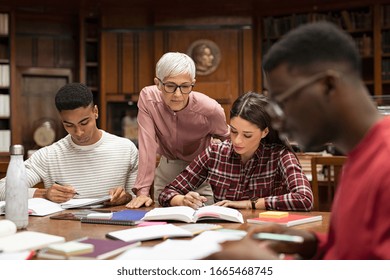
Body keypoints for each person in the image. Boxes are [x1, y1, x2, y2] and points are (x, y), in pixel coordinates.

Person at [207, 21, 390, 260]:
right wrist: (310, 243)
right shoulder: (358, 157)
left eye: (282, 102)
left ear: (328, 85)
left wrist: (271, 267)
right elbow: (353, 251)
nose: (277, 121)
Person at [158, 92, 313, 211]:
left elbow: (305, 198)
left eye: (247, 135)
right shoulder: (215, 153)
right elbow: (167, 192)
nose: (237, 141)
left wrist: (250, 204)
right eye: (233, 131)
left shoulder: (280, 156)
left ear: (265, 132)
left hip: (264, 234)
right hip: (224, 233)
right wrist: (181, 200)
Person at [0, 83, 138, 206]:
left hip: (112, 228)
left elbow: (138, 199)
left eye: (84, 123)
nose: (78, 132)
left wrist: (124, 198)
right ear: (61, 120)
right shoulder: (49, 155)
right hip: (64, 229)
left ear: (95, 112)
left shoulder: (126, 149)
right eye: (69, 125)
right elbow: (3, 189)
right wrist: (43, 194)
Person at [126, 52, 229, 208]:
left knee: (203, 222)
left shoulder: (211, 110)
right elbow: (147, 145)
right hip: (166, 170)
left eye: (185, 86)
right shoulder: (148, 98)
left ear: (193, 83)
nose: (178, 95)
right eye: (170, 86)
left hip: (200, 172)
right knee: (161, 223)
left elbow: (229, 141)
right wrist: (142, 192)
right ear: (158, 83)